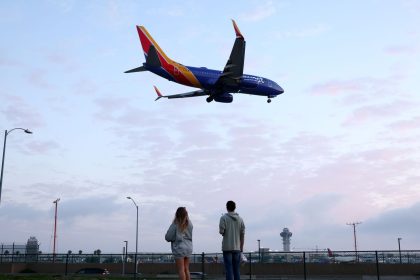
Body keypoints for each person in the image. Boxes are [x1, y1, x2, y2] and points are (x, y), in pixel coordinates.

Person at [219, 200, 245, 280]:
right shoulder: (240, 219)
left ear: (227, 208)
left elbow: (221, 231)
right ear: (235, 208)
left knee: (229, 269)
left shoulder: (223, 218)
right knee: (236, 269)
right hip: (237, 248)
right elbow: (242, 235)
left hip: (227, 247)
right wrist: (241, 249)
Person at [165, 207, 193, 280]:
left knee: (181, 270)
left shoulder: (175, 223)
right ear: (186, 214)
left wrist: (175, 238)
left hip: (180, 248)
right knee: (186, 269)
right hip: (189, 247)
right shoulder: (190, 223)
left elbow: (168, 237)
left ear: (177, 214)